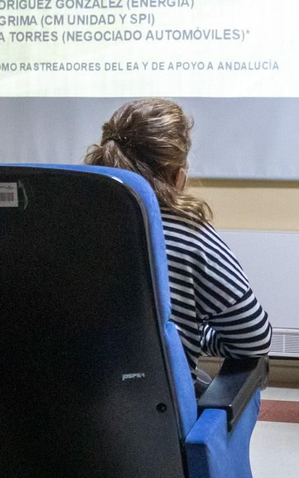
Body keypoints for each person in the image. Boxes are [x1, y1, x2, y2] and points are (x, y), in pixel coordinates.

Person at [85, 98, 272, 382]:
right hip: (158, 417)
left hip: (57, 412)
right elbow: (253, 340)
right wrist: (190, 333)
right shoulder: (189, 235)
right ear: (177, 174)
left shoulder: (61, 223)